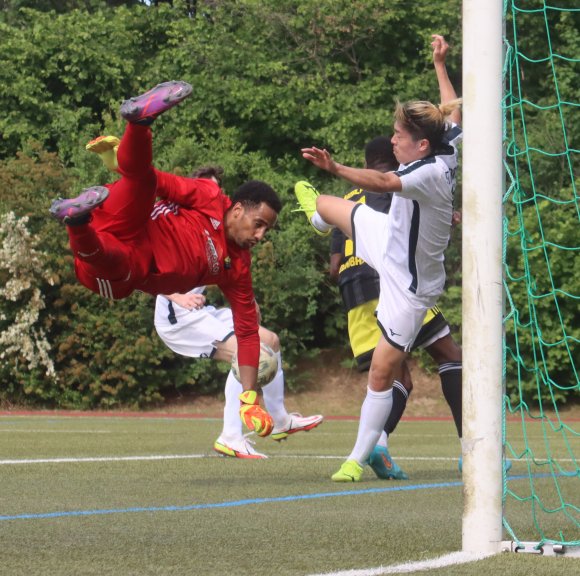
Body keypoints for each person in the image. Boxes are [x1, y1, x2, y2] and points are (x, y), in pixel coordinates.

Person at [49, 81, 280, 437]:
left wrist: (249, 397)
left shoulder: (239, 266)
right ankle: (136, 125)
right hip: (127, 220)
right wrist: (121, 160)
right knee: (122, 274)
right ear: (236, 210)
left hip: (117, 243)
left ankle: (81, 213)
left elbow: (248, 333)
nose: (261, 236)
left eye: (267, 230)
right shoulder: (208, 195)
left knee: (122, 262)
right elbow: (156, 180)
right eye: (259, 224)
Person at [295, 35, 462, 481]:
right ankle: (315, 216)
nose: (393, 140)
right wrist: (440, 65)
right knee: (330, 206)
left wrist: (335, 167)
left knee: (383, 373)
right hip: (388, 236)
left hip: (408, 287)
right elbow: (452, 112)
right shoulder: (446, 147)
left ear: (420, 146)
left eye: (399, 136)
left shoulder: (426, 173)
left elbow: (383, 183)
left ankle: (357, 456)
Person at [328, 134, 463, 480]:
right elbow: (407, 232)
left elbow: (333, 266)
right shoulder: (397, 186)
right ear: (394, 154)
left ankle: (378, 445)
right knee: (450, 355)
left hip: (353, 292)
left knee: (394, 374)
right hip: (395, 283)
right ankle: (471, 450)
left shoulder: (349, 195)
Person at [155, 287, 324, 458]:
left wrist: (250, 301)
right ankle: (230, 436)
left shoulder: (224, 258)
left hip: (199, 312)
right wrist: (177, 297)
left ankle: (281, 421)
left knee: (270, 341)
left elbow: (228, 274)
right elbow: (148, 276)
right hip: (176, 320)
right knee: (244, 353)